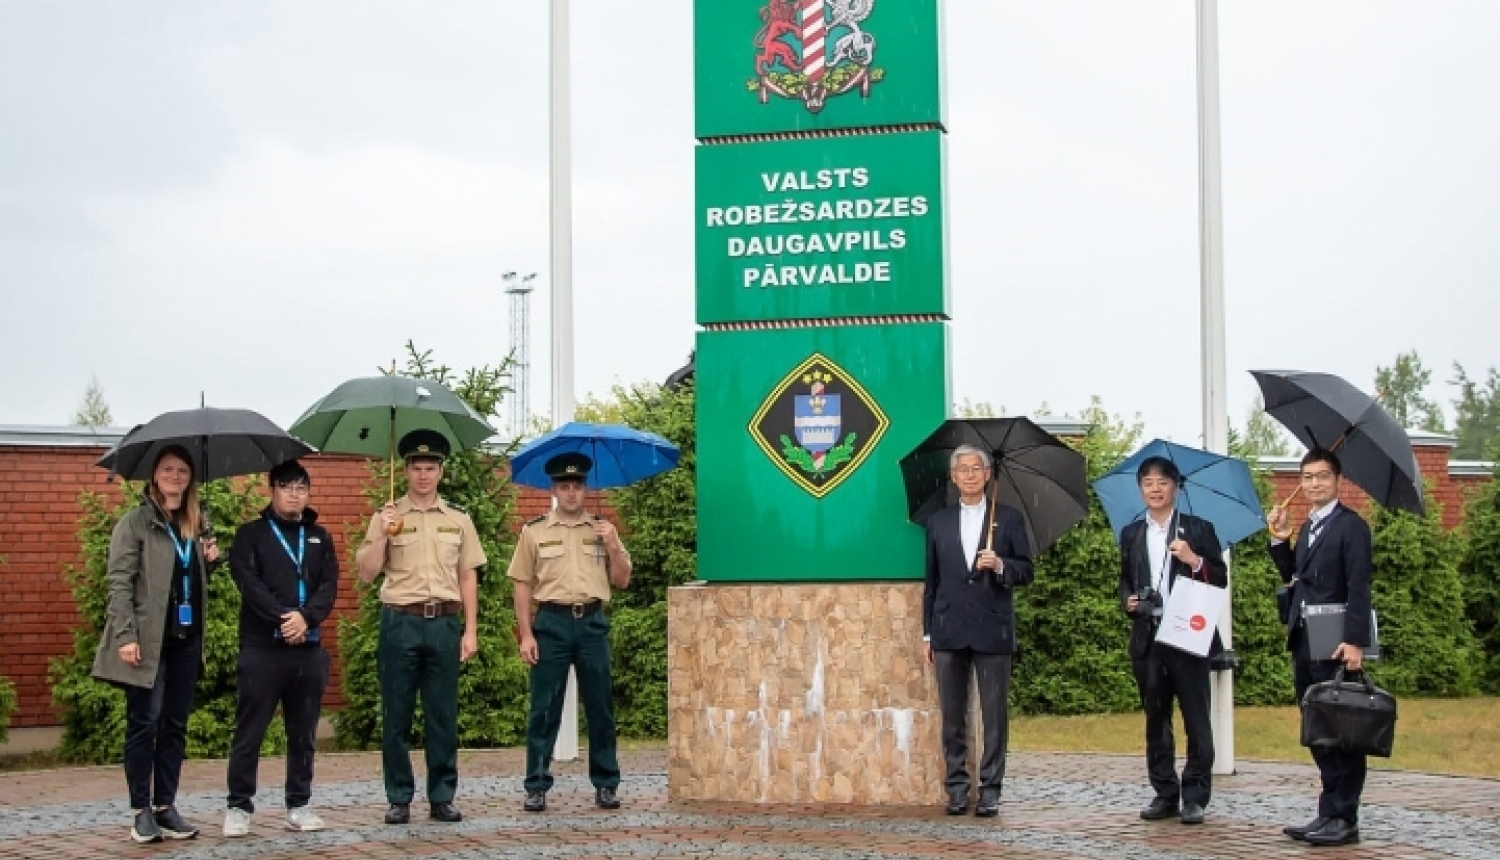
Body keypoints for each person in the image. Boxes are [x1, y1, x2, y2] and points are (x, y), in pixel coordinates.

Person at [90, 445, 220, 843]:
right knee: (143, 725)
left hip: (185, 640)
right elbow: (119, 583)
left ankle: (166, 806)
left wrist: (210, 560)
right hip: (147, 643)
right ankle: (140, 810)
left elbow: (187, 579)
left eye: (183, 470)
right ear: (153, 475)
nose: (176, 476)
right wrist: (125, 635)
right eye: (168, 469)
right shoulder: (135, 524)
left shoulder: (196, 523)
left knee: (175, 725)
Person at [355, 430, 485, 825]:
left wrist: (470, 630)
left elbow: (468, 576)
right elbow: (366, 573)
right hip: (401, 622)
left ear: (441, 472)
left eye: (431, 468)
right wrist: (383, 532)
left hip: (444, 622)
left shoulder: (458, 519)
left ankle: (442, 796)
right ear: (407, 471)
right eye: (416, 467)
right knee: (396, 714)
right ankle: (399, 797)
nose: (423, 475)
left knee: (442, 714)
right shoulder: (388, 516)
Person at [507, 452, 632, 813]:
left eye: (577, 486)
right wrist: (526, 634)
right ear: (554, 490)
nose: (572, 493)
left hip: (592, 622)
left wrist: (612, 544)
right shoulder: (535, 532)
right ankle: (536, 785)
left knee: (600, 707)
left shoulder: (603, 528)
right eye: (565, 486)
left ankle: (606, 783)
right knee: (544, 708)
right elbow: (521, 585)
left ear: (585, 488)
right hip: (551, 623)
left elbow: (622, 580)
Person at [223, 459, 339, 837]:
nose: (295, 494)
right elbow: (249, 583)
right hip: (262, 648)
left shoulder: (320, 536)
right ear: (271, 490)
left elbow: (329, 587)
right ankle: (239, 805)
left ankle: (299, 803)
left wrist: (306, 619)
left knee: (303, 733)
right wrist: (283, 618)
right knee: (250, 730)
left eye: (301, 488)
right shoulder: (250, 535)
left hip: (308, 648)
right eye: (287, 487)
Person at [1267, 448, 1373, 847]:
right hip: (1305, 638)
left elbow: (1359, 588)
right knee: (1318, 730)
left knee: (1342, 730)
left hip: (1338, 640)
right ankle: (1328, 812)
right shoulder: (1310, 526)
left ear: (1337, 480)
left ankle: (1344, 817)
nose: (1314, 484)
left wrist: (1356, 642)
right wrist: (1280, 540)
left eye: (1322, 477)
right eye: (1307, 477)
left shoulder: (1352, 528)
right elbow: (1296, 578)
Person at [922, 444, 1033, 817]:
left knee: (994, 713)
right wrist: (928, 634)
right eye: (962, 469)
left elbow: (1026, 571)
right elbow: (932, 582)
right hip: (948, 629)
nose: (969, 475)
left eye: (976, 469)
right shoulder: (937, 522)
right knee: (953, 715)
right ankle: (956, 787)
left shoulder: (1009, 519)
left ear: (988, 475)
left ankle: (991, 789)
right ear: (953, 477)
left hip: (992, 629)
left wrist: (1001, 564)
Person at [1116, 456, 1227, 826]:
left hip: (1188, 636)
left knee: (1197, 719)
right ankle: (1164, 792)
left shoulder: (1197, 529)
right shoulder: (1131, 533)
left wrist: (1194, 560)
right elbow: (1124, 580)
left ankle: (1195, 795)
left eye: (1163, 482)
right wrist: (1129, 601)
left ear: (1175, 487)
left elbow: (1220, 579)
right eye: (1148, 483)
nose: (1156, 489)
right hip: (1149, 636)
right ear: (1141, 489)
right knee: (1155, 719)